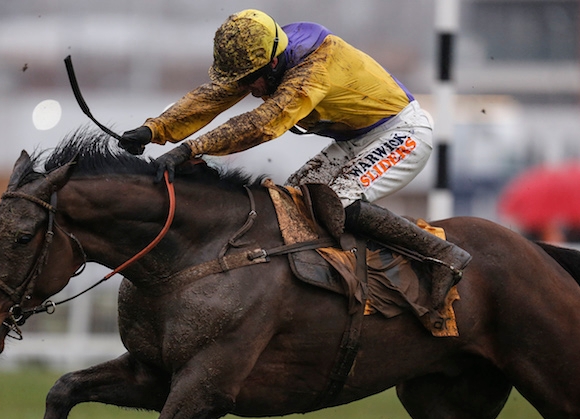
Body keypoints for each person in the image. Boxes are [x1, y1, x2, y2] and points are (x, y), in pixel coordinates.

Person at [118, 9, 471, 313]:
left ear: (273, 63)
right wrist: (154, 129)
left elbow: (263, 124)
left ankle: (443, 255)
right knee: (290, 204)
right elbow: (212, 97)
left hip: (403, 133)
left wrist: (190, 149)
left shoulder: (312, 70)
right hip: (356, 139)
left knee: (337, 203)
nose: (250, 89)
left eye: (251, 81)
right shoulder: (265, 53)